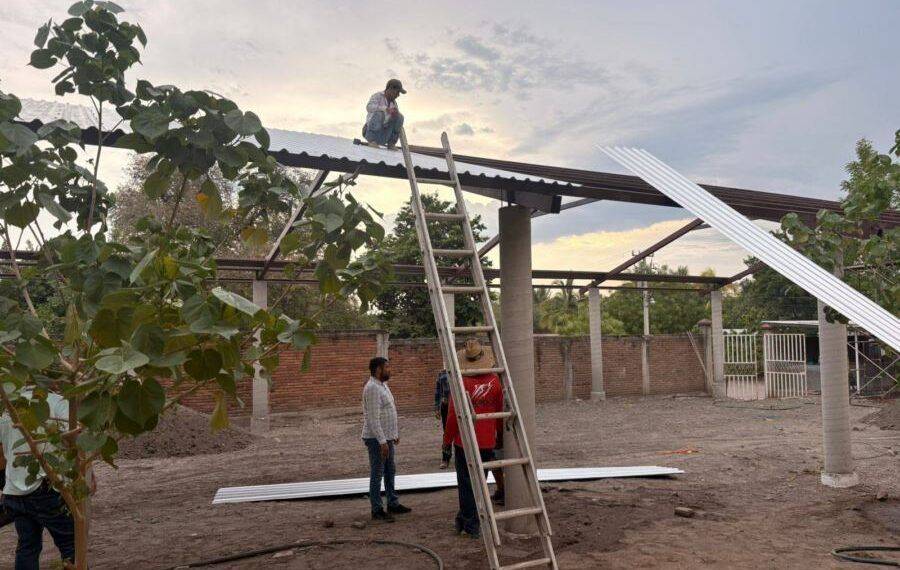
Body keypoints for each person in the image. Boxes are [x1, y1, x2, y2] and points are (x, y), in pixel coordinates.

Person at [1, 391, 76, 569]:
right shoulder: (57, 401)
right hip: (46, 487)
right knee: (71, 545)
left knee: (27, 547)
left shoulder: (6, 406)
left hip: (15, 489)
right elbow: (73, 441)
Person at [443, 338, 504, 539]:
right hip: (487, 440)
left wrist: (446, 442)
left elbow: (452, 415)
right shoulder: (495, 380)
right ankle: (464, 519)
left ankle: (471, 523)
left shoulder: (462, 382)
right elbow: (499, 411)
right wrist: (500, 437)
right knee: (480, 483)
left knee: (466, 483)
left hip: (465, 441)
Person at [362, 356, 411, 522]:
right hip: (377, 439)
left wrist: (394, 434)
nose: (389, 370)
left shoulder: (383, 385)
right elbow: (373, 418)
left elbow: (389, 411)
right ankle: (377, 509)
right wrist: (383, 441)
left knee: (390, 470)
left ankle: (392, 503)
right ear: (378, 370)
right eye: (387, 367)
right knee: (378, 473)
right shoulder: (372, 388)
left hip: (387, 438)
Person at [363, 79, 406, 148]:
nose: (398, 95)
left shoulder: (394, 103)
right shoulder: (378, 96)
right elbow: (369, 107)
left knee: (400, 117)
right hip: (370, 132)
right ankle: (372, 141)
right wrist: (385, 109)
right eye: (397, 92)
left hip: (384, 134)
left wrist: (394, 115)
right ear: (390, 89)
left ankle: (391, 143)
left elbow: (396, 121)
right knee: (380, 113)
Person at [434, 368, 452, 469]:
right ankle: (445, 457)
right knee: (447, 432)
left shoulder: (462, 371)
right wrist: (437, 408)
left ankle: (463, 457)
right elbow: (437, 392)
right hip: (446, 406)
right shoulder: (442, 374)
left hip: (460, 405)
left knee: (462, 432)